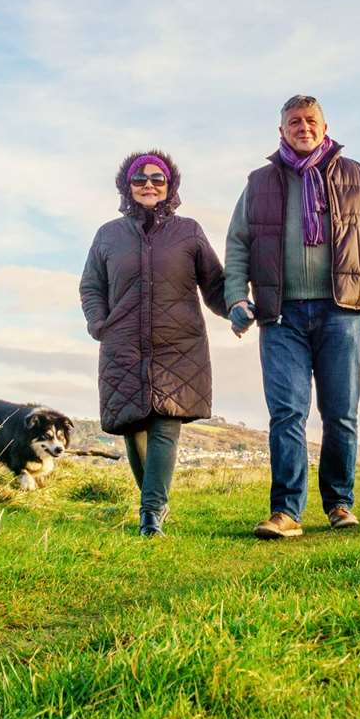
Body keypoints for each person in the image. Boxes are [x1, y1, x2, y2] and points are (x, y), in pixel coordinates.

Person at [224, 95, 360, 539]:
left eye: (311, 120)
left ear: (325, 126)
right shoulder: (259, 182)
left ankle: (340, 504)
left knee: (340, 412)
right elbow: (238, 243)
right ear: (281, 131)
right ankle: (286, 512)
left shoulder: (357, 175)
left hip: (343, 311)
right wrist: (235, 298)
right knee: (287, 414)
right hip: (280, 315)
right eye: (294, 122)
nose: (303, 127)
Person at [80, 151, 228, 536]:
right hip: (123, 342)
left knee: (166, 422)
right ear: (127, 186)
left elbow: (214, 284)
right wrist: (100, 324)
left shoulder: (189, 231)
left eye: (157, 178)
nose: (148, 184)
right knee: (134, 423)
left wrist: (240, 309)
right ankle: (154, 507)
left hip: (178, 344)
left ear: (170, 185)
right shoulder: (108, 235)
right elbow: (91, 286)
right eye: (140, 179)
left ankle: (150, 514)